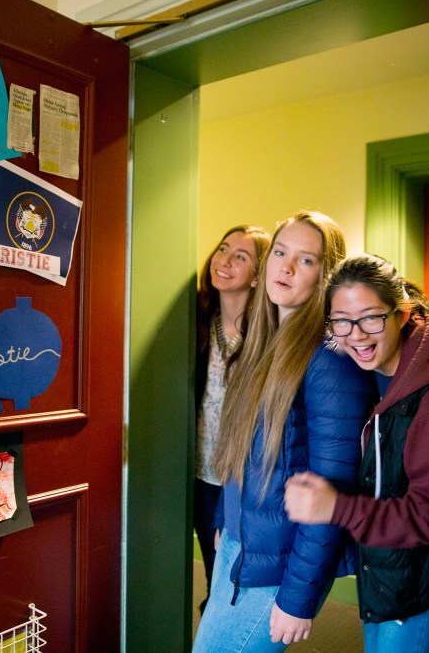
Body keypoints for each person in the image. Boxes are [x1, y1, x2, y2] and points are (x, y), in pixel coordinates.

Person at [193, 211, 377, 652]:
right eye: (280, 252)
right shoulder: (263, 343)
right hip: (239, 547)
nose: (286, 267)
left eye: (306, 260)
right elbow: (244, 454)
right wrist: (224, 520)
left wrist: (298, 598)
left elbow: (332, 489)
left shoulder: (330, 359)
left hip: (278, 568)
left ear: (325, 275)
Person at [283, 253, 429, 653]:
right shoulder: (372, 375)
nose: (355, 334)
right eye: (341, 320)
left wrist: (336, 509)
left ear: (402, 313)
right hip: (381, 576)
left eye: (371, 317)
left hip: (414, 590)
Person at [195, 224, 271, 613]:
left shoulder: (267, 336)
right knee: (213, 574)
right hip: (198, 475)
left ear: (258, 277)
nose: (223, 260)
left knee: (236, 580)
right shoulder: (194, 321)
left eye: (240, 256)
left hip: (242, 480)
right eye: (223, 249)